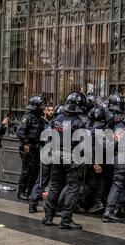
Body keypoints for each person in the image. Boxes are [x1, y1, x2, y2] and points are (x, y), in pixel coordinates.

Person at [42, 92, 87, 230]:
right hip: (71, 159)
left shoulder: (57, 118)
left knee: (55, 185)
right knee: (73, 188)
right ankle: (66, 219)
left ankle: (48, 217)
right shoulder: (79, 122)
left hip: (56, 156)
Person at [16, 95, 47, 201]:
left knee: (35, 171)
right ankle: (21, 192)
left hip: (36, 147)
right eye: (41, 105)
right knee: (26, 171)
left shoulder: (39, 117)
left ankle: (31, 192)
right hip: (28, 147)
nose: (43, 107)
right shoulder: (27, 117)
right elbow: (20, 132)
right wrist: (26, 143)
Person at [29, 105, 54, 213]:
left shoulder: (54, 122)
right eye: (49, 110)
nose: (51, 112)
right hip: (47, 153)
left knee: (50, 181)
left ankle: (35, 202)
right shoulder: (42, 123)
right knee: (42, 180)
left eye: (53, 110)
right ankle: (33, 202)